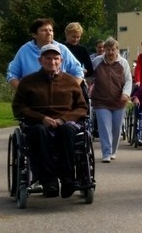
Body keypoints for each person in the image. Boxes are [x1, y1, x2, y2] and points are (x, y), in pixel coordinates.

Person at [11, 44, 88, 198]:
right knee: (38, 131)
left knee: (66, 130)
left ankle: (67, 179)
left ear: (61, 61)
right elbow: (19, 107)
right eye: (48, 58)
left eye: (55, 58)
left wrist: (62, 119)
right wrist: (41, 118)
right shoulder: (28, 82)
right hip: (38, 122)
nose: (52, 62)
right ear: (40, 60)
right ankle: (49, 180)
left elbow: (81, 107)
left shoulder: (70, 81)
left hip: (65, 122)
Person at [7, 18, 84, 89]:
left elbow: (78, 71)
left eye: (50, 30)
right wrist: (22, 92)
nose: (49, 33)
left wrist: (69, 91)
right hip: (32, 99)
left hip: (58, 98)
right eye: (44, 30)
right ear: (34, 34)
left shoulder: (62, 49)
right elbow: (12, 74)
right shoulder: (25, 50)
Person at [91, 38, 132, 163]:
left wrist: (125, 94)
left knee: (116, 128)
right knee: (105, 127)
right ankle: (106, 152)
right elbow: (89, 76)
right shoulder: (97, 61)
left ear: (117, 50)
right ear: (104, 50)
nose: (110, 52)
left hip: (119, 101)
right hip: (101, 101)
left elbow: (129, 80)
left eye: (113, 50)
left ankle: (113, 150)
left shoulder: (123, 63)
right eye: (108, 50)